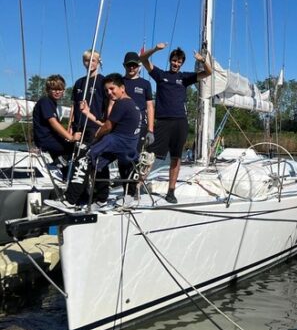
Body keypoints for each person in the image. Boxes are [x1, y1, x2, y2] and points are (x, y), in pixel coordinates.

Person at [139, 42, 212, 204]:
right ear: (170, 60)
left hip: (180, 122)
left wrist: (202, 60)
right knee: (149, 156)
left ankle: (171, 192)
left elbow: (208, 72)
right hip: (163, 122)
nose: (176, 64)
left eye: (179, 62)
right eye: (174, 60)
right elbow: (143, 59)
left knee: (176, 157)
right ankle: (135, 188)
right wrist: (155, 49)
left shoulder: (184, 78)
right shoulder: (160, 75)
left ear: (182, 63)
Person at [64, 73, 141, 207]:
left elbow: (107, 127)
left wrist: (95, 137)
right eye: (106, 90)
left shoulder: (121, 104)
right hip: (128, 147)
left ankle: (70, 201)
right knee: (98, 163)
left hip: (116, 142)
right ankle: (102, 200)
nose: (109, 93)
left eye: (112, 89)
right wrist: (88, 113)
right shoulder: (132, 104)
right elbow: (108, 124)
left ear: (122, 88)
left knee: (84, 159)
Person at [115, 51, 155, 196]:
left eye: (134, 65)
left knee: (134, 159)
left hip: (139, 127)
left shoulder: (145, 84)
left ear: (139, 66)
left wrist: (151, 130)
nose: (131, 68)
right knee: (122, 160)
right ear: (124, 66)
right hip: (120, 127)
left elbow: (150, 106)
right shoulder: (119, 82)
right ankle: (126, 190)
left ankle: (132, 193)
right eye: (129, 65)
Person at [32, 75, 81, 164]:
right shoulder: (45, 101)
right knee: (76, 148)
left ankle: (60, 164)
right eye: (54, 89)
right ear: (48, 90)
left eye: (60, 89)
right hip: (46, 140)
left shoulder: (52, 103)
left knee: (73, 149)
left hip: (51, 139)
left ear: (63, 91)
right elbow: (53, 122)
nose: (57, 92)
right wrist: (70, 137)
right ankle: (61, 164)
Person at [68, 49, 108, 143]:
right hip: (77, 126)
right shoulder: (79, 82)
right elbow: (74, 105)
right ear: (83, 62)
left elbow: (107, 106)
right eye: (87, 60)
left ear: (98, 62)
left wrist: (104, 126)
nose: (90, 63)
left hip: (94, 126)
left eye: (93, 60)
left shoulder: (103, 81)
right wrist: (70, 125)